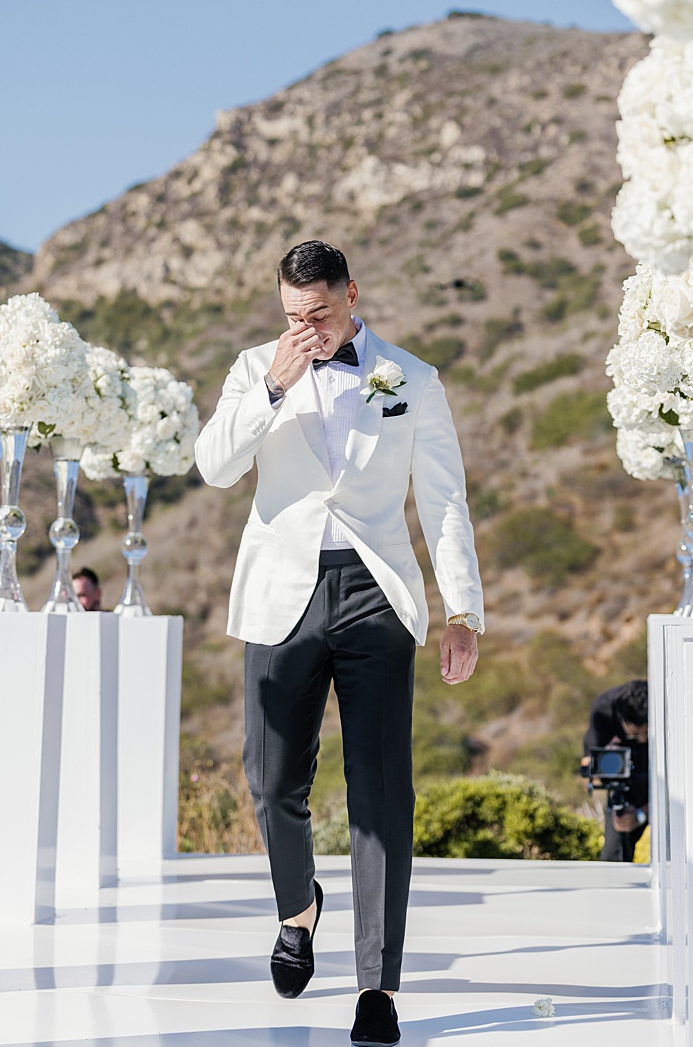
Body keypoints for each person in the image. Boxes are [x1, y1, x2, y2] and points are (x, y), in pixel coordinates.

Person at [196, 239, 484, 1047]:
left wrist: (462, 609)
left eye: (319, 314)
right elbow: (215, 467)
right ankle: (299, 908)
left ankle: (377, 987)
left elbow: (444, 500)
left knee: (382, 792)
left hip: (374, 594)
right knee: (270, 781)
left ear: (352, 295)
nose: (306, 328)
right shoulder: (254, 368)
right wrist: (273, 385)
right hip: (280, 595)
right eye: (293, 315)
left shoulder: (410, 378)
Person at [582, 679, 650, 862]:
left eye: (646, 734)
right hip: (625, 791)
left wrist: (642, 814)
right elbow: (589, 761)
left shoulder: (668, 705)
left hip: (666, 788)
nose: (641, 740)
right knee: (613, 856)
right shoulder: (603, 710)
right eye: (635, 735)